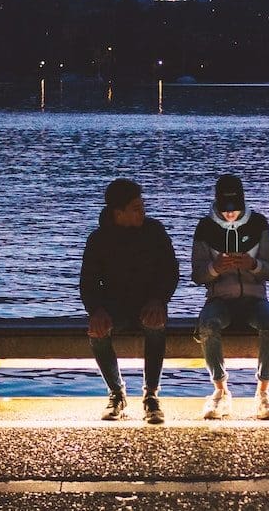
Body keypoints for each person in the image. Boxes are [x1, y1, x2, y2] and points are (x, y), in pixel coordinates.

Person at [80, 178, 179, 424]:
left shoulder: (154, 232)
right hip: (114, 306)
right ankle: (116, 393)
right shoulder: (99, 239)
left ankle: (151, 395)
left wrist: (159, 300)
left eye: (142, 206)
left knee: (155, 323)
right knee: (97, 331)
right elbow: (88, 281)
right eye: (136, 208)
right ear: (119, 213)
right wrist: (96, 310)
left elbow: (170, 271)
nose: (142, 212)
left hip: (149, 302)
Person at [192, 174, 269, 420]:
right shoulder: (205, 228)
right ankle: (220, 390)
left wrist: (253, 265)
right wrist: (215, 268)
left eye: (235, 208)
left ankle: (263, 392)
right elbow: (197, 274)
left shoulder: (258, 224)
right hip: (219, 299)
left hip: (255, 298)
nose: (230, 214)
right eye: (225, 209)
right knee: (208, 325)